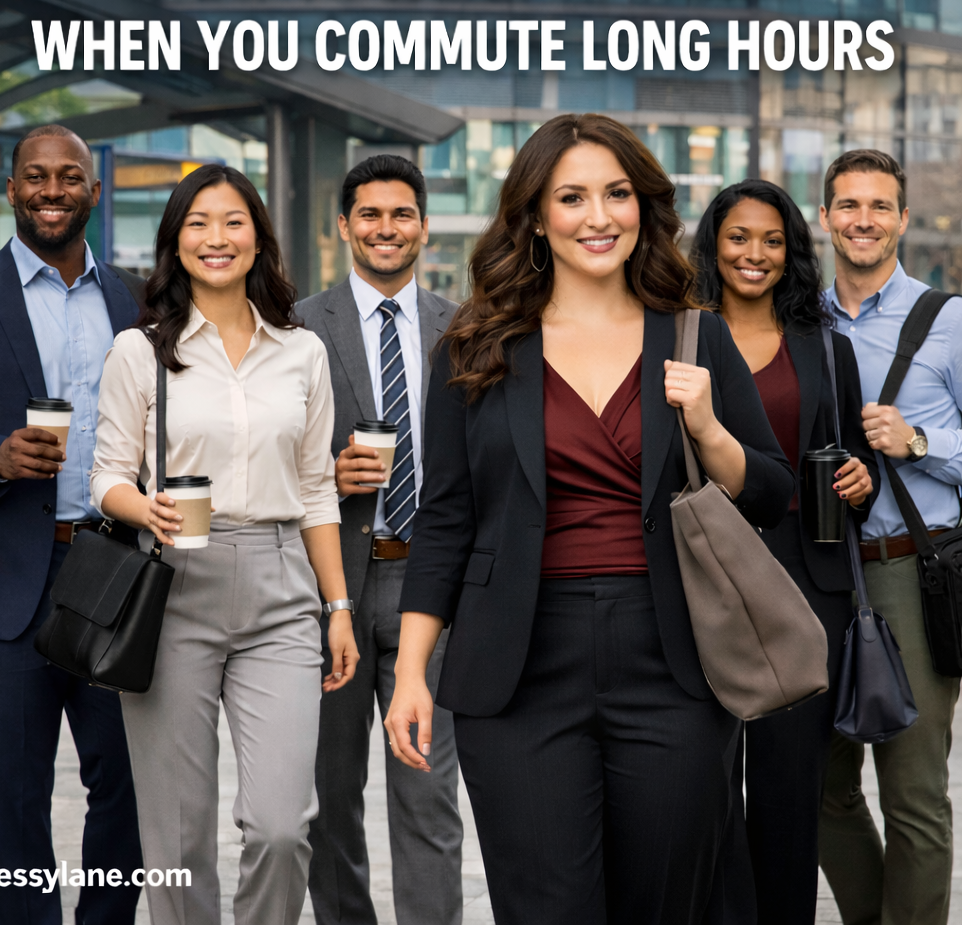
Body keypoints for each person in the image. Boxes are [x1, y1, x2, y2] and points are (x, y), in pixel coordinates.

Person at [383, 113, 795, 924]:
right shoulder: (475, 346)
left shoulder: (695, 335)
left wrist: (709, 429)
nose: (598, 216)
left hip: (673, 661)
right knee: (547, 908)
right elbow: (445, 520)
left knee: (667, 905)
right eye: (571, 197)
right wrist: (408, 675)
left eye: (616, 194)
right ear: (535, 215)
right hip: (519, 665)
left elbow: (772, 495)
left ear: (644, 206)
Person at [90, 164, 359, 925]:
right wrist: (143, 508)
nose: (217, 237)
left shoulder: (300, 351)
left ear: (258, 237)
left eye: (233, 221)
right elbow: (104, 477)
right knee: (176, 837)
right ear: (174, 242)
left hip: (281, 587)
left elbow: (316, 490)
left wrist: (337, 606)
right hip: (171, 587)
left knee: (281, 826)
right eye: (198, 223)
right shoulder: (139, 353)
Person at [0, 124, 144, 924]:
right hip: (8, 585)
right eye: (35, 177)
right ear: (12, 189)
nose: (51, 190)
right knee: (15, 806)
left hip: (114, 579)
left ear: (95, 191)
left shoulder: (132, 298)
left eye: (68, 177)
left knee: (124, 798)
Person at [690, 180, 877, 925]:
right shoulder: (677, 335)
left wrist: (861, 478)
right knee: (697, 785)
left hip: (806, 583)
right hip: (701, 577)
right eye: (739, 237)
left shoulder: (825, 349)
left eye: (772, 240)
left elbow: (853, 458)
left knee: (788, 791)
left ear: (792, 251)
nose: (755, 254)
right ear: (713, 245)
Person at [296, 155, 464, 925]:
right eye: (370, 214)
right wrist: (326, 475)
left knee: (428, 799)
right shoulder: (299, 327)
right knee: (330, 801)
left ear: (423, 226)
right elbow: (265, 460)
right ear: (344, 226)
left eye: (401, 215)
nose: (386, 229)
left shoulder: (464, 328)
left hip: (430, 584)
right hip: (331, 588)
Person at [817, 149, 962, 925]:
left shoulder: (951, 322)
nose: (863, 220)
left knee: (913, 798)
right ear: (826, 217)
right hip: (819, 578)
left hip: (911, 573)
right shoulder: (797, 320)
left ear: (903, 218)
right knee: (816, 788)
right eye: (848, 205)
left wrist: (920, 443)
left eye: (879, 206)